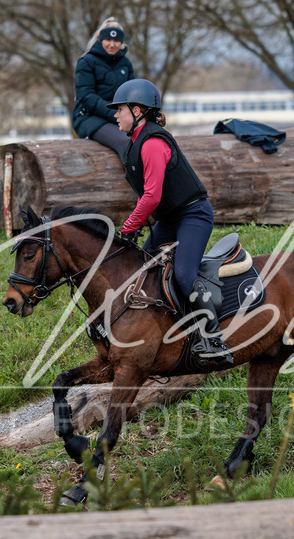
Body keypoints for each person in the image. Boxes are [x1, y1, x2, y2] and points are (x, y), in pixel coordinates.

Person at [106, 78, 232, 365]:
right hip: (170, 218)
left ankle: (214, 339)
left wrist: (129, 226)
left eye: (119, 110)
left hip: (193, 215)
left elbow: (151, 196)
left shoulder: (151, 143)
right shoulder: (136, 141)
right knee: (142, 270)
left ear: (137, 111)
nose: (115, 115)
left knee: (184, 275)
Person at [71, 18, 134, 161]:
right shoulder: (86, 62)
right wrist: (115, 114)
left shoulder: (126, 64)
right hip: (89, 117)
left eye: (117, 41)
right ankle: (137, 182)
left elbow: (132, 94)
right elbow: (86, 96)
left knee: (151, 139)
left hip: (118, 117)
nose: (112, 45)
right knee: (126, 142)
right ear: (100, 40)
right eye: (108, 40)